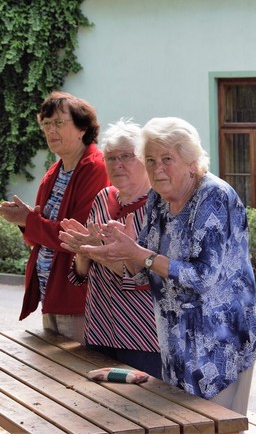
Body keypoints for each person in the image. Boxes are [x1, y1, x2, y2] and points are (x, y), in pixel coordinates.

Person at [78, 116, 256, 415]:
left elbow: (202, 277)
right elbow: (143, 270)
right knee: (176, 421)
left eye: (167, 159)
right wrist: (119, 251)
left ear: (192, 162)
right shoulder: (157, 198)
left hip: (221, 339)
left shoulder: (214, 196)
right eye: (150, 160)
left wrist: (141, 254)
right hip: (175, 337)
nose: (157, 169)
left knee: (214, 424)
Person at [0, 91, 109, 343]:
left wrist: (28, 220)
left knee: (76, 366)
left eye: (58, 123)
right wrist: (22, 221)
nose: (50, 130)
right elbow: (37, 240)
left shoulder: (95, 168)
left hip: (77, 296)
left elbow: (77, 238)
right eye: (46, 124)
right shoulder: (54, 172)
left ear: (82, 128)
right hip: (51, 293)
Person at [58, 119, 161, 378]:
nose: (117, 164)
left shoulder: (160, 207)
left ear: (145, 159)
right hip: (100, 327)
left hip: (143, 334)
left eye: (126, 156)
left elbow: (149, 276)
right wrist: (82, 252)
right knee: (100, 400)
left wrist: (99, 253)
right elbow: (81, 274)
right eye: (111, 158)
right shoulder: (102, 198)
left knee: (144, 401)